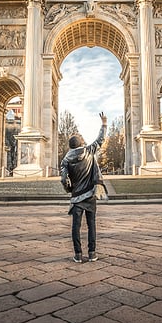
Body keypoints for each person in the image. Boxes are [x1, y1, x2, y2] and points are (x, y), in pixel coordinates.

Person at [60, 112, 107, 263]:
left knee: (76, 227)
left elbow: (63, 179)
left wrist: (70, 190)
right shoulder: (88, 151)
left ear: (70, 146)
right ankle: (92, 253)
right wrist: (104, 124)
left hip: (76, 197)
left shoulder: (66, 160)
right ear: (81, 143)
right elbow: (100, 140)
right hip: (90, 194)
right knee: (91, 224)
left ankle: (78, 254)